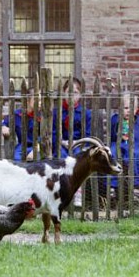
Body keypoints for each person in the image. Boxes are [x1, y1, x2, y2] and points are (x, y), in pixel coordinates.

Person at [52, 77, 91, 207]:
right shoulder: (56, 113)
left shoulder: (86, 114)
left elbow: (89, 135)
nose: (71, 96)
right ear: (63, 93)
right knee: (61, 157)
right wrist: (62, 142)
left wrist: (77, 142)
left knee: (78, 159)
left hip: (79, 144)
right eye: (68, 92)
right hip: (61, 144)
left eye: (74, 92)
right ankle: (62, 193)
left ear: (79, 95)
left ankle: (77, 192)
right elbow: (53, 132)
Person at [109, 93, 139, 196]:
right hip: (119, 144)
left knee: (136, 154)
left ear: (136, 109)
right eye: (126, 108)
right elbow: (112, 135)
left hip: (135, 145)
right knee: (113, 152)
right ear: (120, 109)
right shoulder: (115, 119)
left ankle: (136, 186)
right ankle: (112, 185)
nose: (129, 110)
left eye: (132, 108)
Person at [1, 88, 39, 161]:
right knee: (16, 159)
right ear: (27, 100)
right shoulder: (17, 114)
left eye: (40, 100)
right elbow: (5, 122)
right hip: (22, 146)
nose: (40, 103)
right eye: (37, 100)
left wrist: (35, 150)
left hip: (39, 147)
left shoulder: (42, 116)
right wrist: (4, 127)